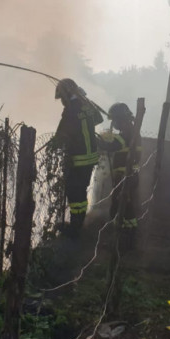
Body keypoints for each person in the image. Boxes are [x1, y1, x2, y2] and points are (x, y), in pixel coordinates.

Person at [54, 78, 102, 235]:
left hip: (78, 159)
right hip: (90, 158)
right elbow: (98, 118)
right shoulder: (86, 105)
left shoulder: (71, 110)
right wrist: (85, 100)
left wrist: (51, 146)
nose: (62, 101)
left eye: (62, 97)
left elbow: (60, 135)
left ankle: (74, 228)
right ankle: (79, 223)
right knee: (81, 191)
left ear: (67, 94)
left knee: (74, 192)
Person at [101, 102, 141, 222]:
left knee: (122, 204)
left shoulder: (127, 132)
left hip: (125, 176)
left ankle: (124, 233)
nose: (113, 123)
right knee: (123, 203)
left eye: (114, 120)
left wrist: (99, 142)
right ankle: (125, 230)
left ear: (120, 119)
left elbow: (114, 146)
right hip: (129, 175)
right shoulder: (132, 130)